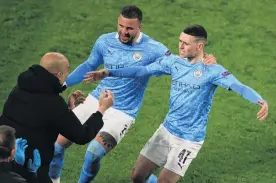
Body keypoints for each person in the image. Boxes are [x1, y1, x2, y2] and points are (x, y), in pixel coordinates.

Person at [48, 5, 217, 183]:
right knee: (57, 147)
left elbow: (178, 63)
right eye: (121, 26)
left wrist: (203, 62)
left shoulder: (153, 49)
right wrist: (64, 85)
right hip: (96, 101)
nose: (123, 31)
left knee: (93, 154)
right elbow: (89, 65)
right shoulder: (105, 41)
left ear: (139, 28)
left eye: (129, 28)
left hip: (123, 112)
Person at [86, 24, 269, 183]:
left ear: (199, 46)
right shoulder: (173, 63)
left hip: (189, 139)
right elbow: (141, 70)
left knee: (165, 181)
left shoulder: (212, 71)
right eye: (180, 41)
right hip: (166, 130)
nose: (180, 46)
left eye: (185, 43)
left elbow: (238, 86)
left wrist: (259, 100)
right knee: (136, 176)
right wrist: (108, 73)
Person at [0, 52, 114, 183]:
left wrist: (67, 109)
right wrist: (102, 109)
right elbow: (82, 135)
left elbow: (41, 117)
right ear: (59, 75)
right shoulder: (53, 103)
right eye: (66, 75)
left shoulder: (18, 90)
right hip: (31, 167)